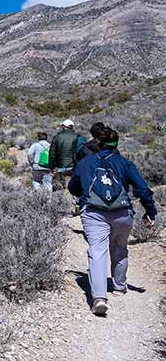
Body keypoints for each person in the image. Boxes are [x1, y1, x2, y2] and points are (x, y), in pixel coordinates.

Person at [68, 127, 157, 316]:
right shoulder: (125, 163)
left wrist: (83, 193)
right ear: (117, 144)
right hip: (122, 213)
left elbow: (73, 187)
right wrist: (150, 211)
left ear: (97, 142)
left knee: (97, 251)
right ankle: (119, 286)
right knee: (120, 247)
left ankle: (99, 297)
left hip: (94, 213)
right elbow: (143, 188)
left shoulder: (85, 163)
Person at [49, 119, 84, 201]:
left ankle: (59, 207)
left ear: (64, 127)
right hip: (73, 167)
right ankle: (73, 207)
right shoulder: (78, 137)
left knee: (58, 190)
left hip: (59, 167)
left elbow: (52, 154)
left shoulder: (57, 137)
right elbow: (81, 152)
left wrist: (51, 167)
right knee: (71, 190)